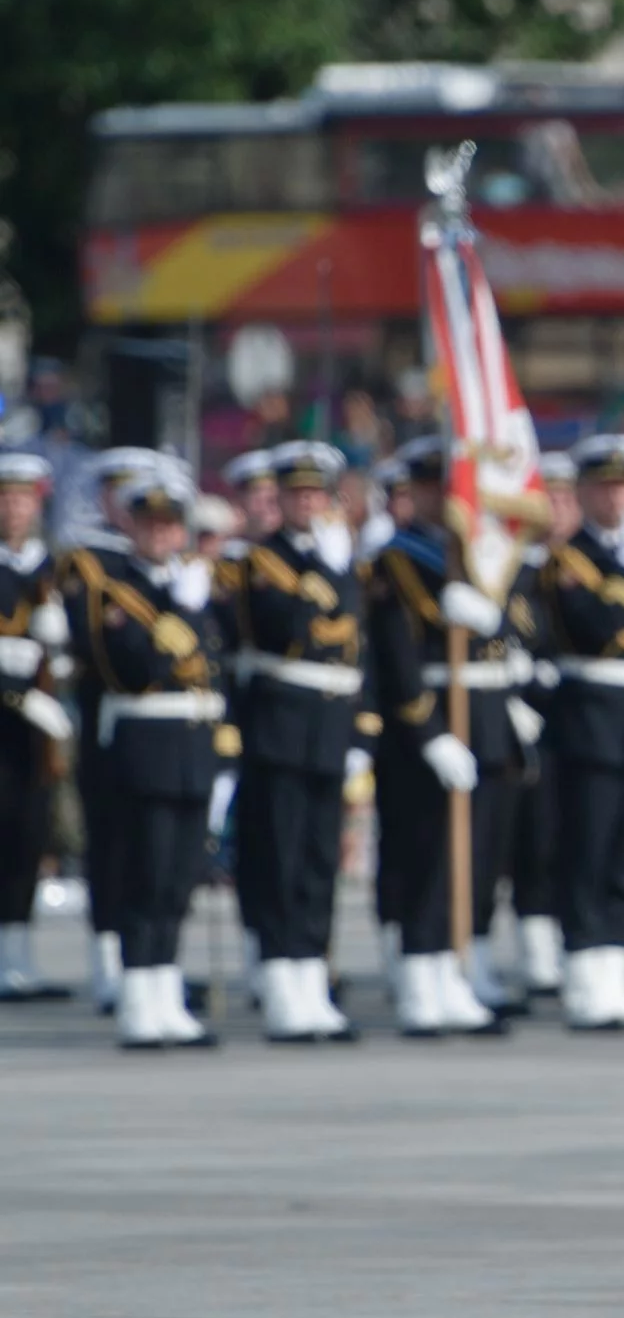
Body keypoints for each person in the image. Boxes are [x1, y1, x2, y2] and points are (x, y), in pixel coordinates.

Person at [57, 466, 234, 1047]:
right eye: (152, 525)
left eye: (171, 526)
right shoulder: (116, 591)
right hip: (145, 748)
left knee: (180, 880)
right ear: (132, 526)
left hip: (192, 747)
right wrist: (175, 611)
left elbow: (213, 666)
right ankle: (139, 995)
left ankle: (166, 990)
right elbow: (126, 668)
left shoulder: (193, 584)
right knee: (146, 874)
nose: (162, 536)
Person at [364, 438, 523, 1038]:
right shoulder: (396, 562)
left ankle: (451, 974)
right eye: (432, 489)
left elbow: (514, 625)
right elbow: (397, 658)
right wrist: (428, 733)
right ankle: (419, 979)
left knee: (472, 860)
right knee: (425, 856)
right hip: (429, 724)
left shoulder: (481, 556)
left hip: (481, 718)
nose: (443, 500)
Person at [226, 441, 363, 1043]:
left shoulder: (340, 559)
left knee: (318, 859)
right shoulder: (260, 563)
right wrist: (327, 573)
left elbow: (358, 643)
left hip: (330, 723)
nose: (306, 502)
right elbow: (287, 630)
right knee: (280, 856)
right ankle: (282, 980)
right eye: (296, 493)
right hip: (280, 722)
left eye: (316, 493)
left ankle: (313, 973)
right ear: (279, 500)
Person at [538, 435, 624, 1030]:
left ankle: (616, 975)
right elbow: (597, 625)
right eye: (602, 487)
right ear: (584, 493)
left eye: (623, 487)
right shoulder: (568, 561)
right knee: (589, 852)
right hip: (589, 716)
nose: (614, 497)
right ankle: (584, 976)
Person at [0, 453, 73, 1000]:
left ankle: (17, 955)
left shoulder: (52, 570)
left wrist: (60, 656)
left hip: (35, 728)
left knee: (29, 834)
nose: (13, 509)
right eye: (5, 498)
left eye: (22, 499)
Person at [506, 450, 578, 1004]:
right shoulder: (512, 568)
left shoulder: (581, 564)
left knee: (572, 833)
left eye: (563, 496)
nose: (556, 508)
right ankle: (535, 947)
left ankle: (565, 939)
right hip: (524, 719)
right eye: (545, 496)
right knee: (534, 834)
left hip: (579, 717)